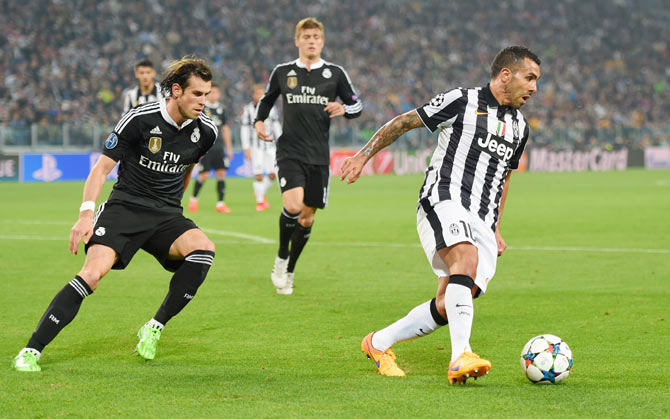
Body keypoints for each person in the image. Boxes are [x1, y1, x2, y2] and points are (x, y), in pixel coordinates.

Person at [341, 46, 541, 384]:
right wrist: (363, 156)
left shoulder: (520, 127)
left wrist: (495, 227)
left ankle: (377, 343)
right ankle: (460, 356)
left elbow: (504, 178)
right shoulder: (461, 100)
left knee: (449, 302)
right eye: (530, 77)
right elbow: (405, 122)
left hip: (482, 218)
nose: (534, 87)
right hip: (444, 198)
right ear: (506, 75)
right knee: (464, 257)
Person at [12, 57, 219, 372]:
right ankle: (31, 350)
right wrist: (85, 215)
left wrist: (176, 201)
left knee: (204, 251)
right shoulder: (139, 119)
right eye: (197, 94)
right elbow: (100, 170)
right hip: (125, 208)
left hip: (166, 215)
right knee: (92, 275)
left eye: (207, 94)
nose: (204, 102)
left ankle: (154, 326)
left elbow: (188, 165)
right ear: (176, 91)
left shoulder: (206, 131)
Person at [254, 17, 362, 294]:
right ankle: (280, 257)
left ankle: (289, 271)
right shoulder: (283, 71)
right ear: (297, 41)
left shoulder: (335, 73)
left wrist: (345, 109)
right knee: (292, 205)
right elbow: (267, 100)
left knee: (306, 218)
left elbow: (356, 105)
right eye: (307, 36)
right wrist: (259, 121)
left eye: (316, 36)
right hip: (289, 150)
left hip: (318, 156)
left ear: (322, 41)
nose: (311, 41)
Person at [188, 84, 234, 213]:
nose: (214, 95)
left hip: (219, 148)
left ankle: (220, 203)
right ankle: (194, 199)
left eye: (216, 92)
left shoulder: (222, 110)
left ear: (219, 94)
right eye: (211, 92)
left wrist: (229, 148)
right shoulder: (202, 108)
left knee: (221, 173)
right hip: (206, 147)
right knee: (204, 175)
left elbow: (225, 128)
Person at [241, 84, 282, 211]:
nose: (259, 96)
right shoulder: (248, 110)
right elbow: (244, 129)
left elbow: (276, 126)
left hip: (270, 146)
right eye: (257, 93)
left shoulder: (271, 108)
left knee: (273, 174)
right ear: (253, 95)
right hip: (255, 147)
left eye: (262, 93)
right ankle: (260, 202)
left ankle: (260, 192)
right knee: (258, 174)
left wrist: (281, 141)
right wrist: (246, 147)